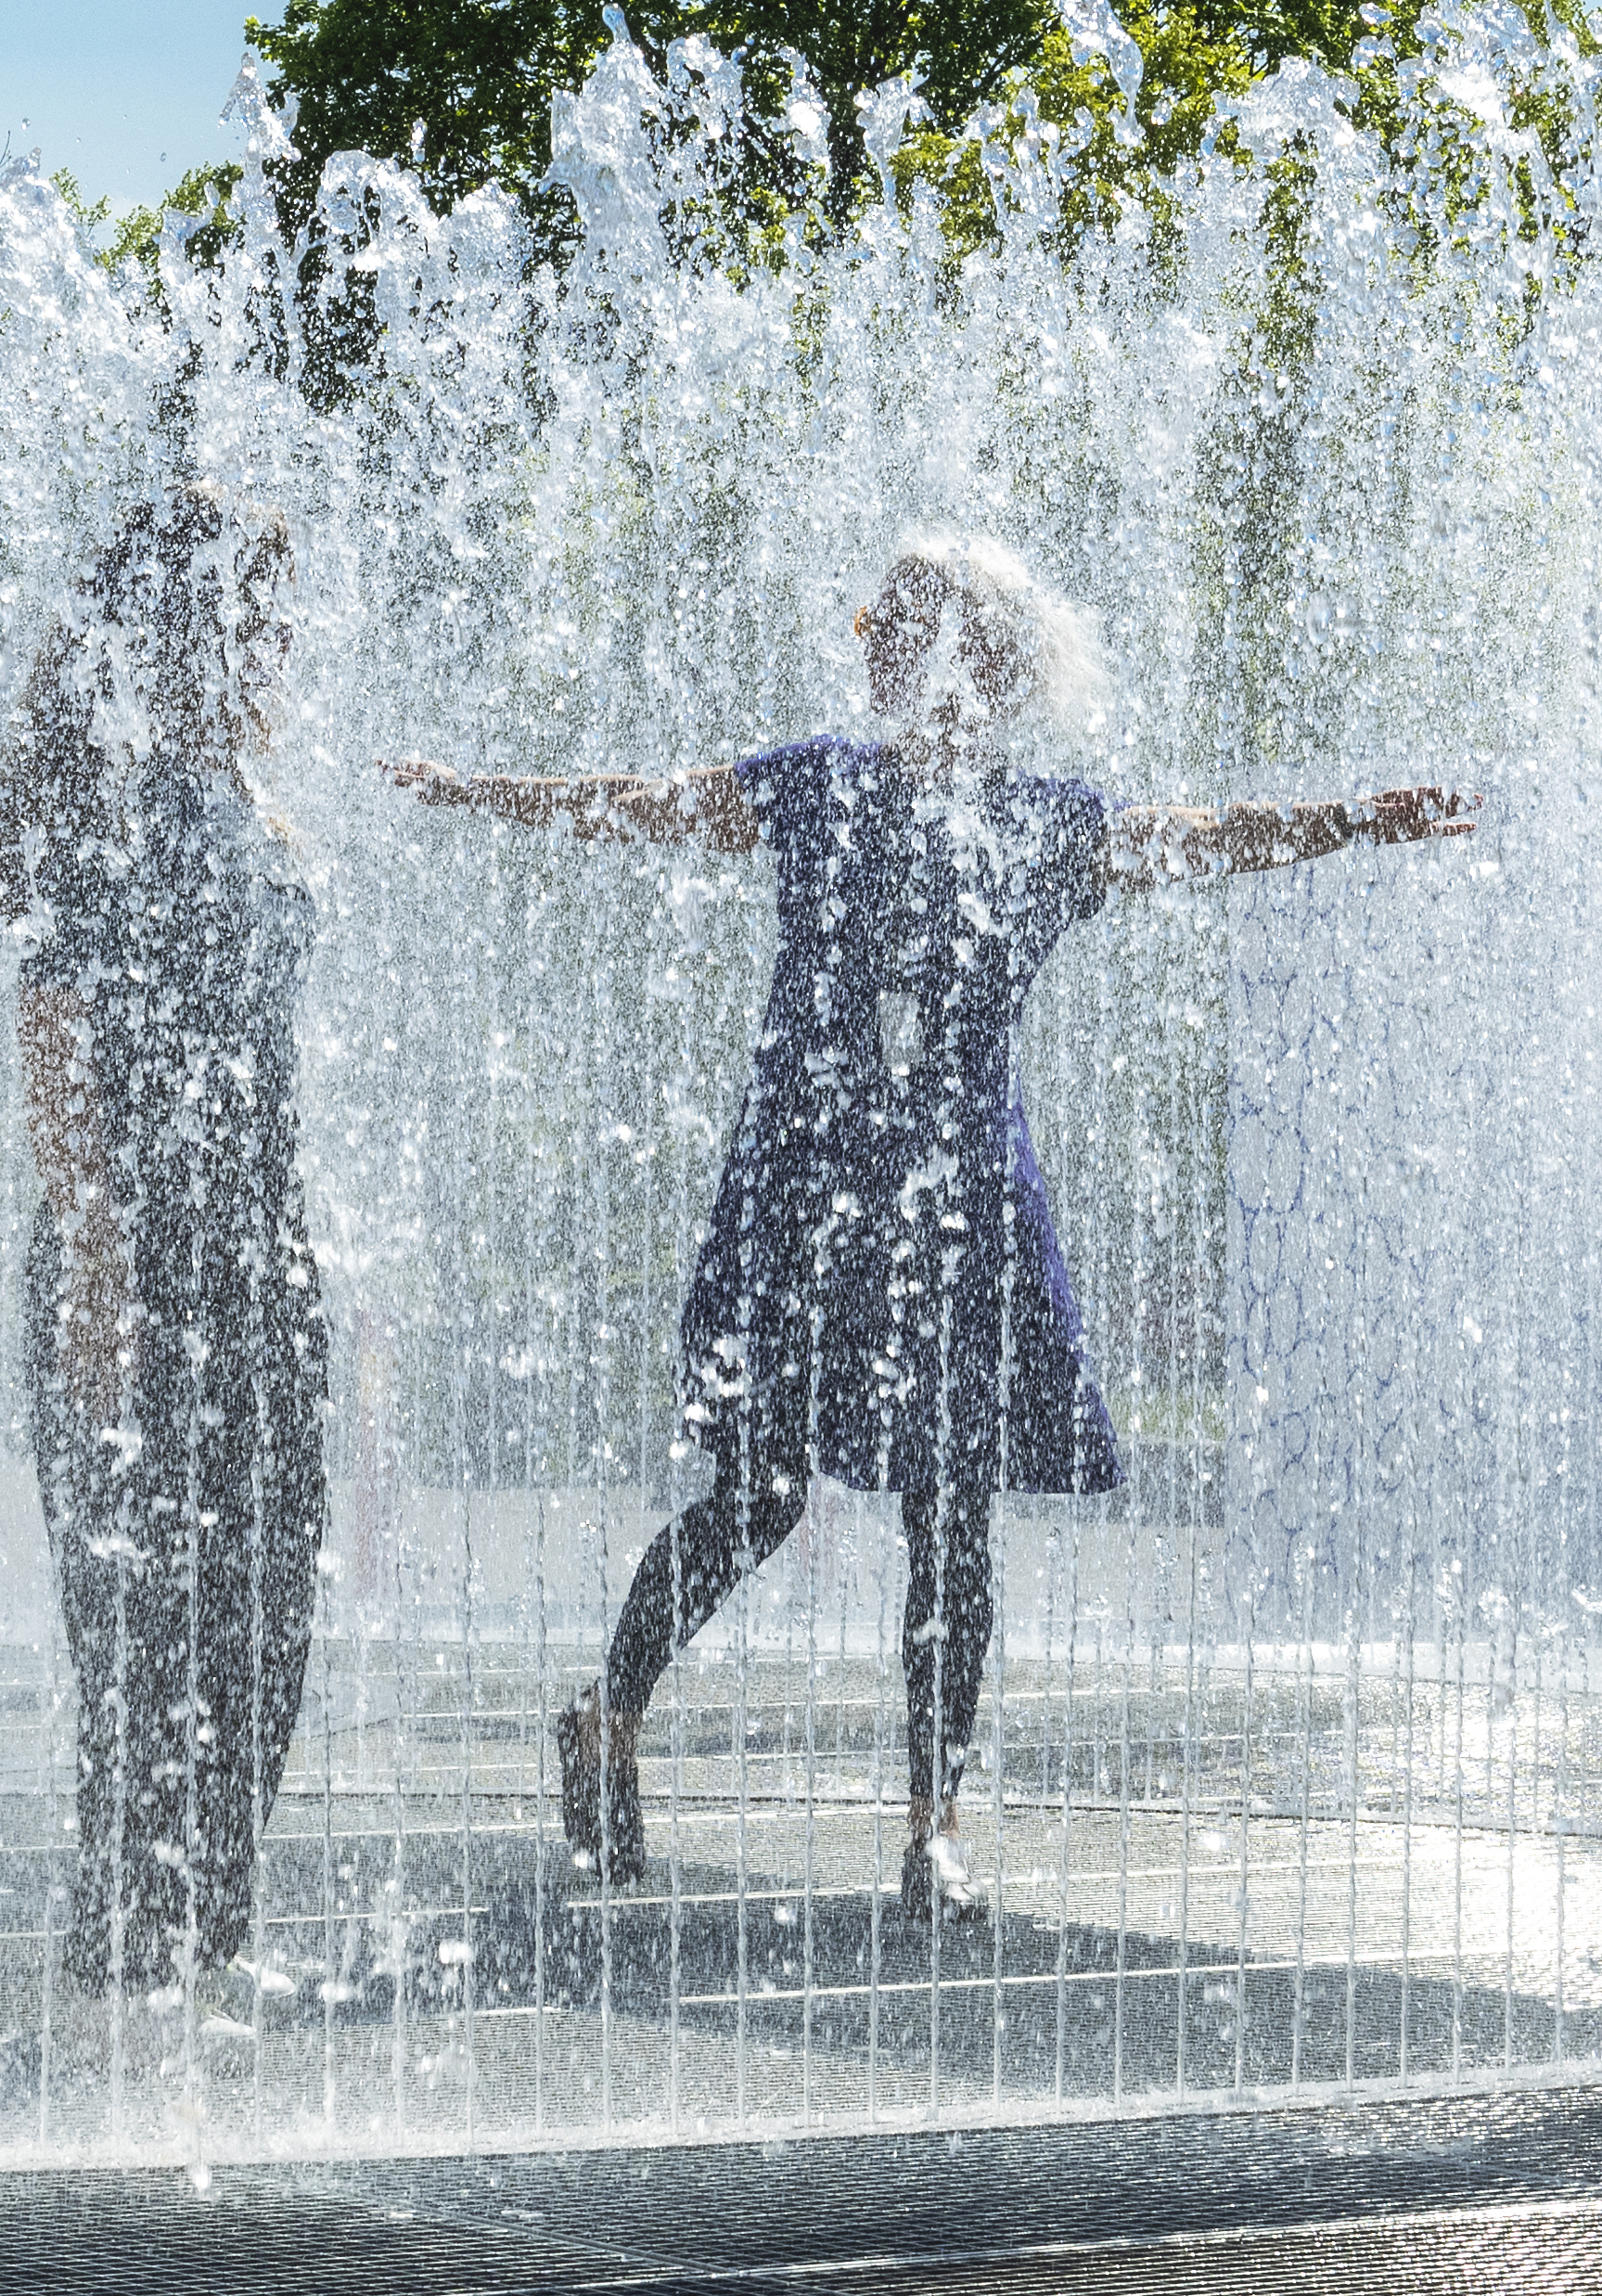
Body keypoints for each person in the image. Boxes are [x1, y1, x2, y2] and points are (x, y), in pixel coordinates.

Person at [388, 532, 1472, 1928]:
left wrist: (1353, 819)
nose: (882, 649)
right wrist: (479, 791)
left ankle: (931, 1826)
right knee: (758, 1495)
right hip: (803, 1192)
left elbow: (1204, 841)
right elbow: (640, 804)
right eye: (877, 626)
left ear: (995, 659)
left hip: (962, 1204)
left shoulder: (1045, 823)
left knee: (950, 1519)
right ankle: (604, 1714)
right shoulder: (815, 783)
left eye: (911, 624)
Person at [0, 482, 328, 2008]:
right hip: (132, 1262)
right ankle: (125, 1952)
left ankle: (211, 1934)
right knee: (141, 1631)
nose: (288, 637)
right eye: (263, 607)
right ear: (199, 624)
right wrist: (101, 1260)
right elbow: (51, 1031)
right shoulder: (101, 804)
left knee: (261, 1604)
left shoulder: (251, 804)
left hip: (263, 1256)